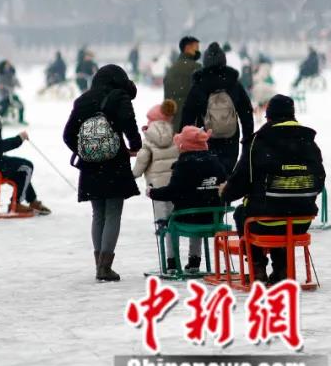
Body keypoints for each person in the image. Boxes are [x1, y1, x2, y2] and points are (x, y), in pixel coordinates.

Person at [221, 95, 325, 284]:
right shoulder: (309, 142)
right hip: (301, 221)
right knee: (280, 210)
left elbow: (240, 181)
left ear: (269, 117)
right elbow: (319, 180)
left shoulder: (258, 142)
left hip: (264, 221)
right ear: (292, 115)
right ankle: (282, 268)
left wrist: (225, 194)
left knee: (244, 213)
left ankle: (257, 268)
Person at [63, 64, 142, 282]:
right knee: (113, 212)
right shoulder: (119, 97)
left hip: (90, 167)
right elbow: (130, 125)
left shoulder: (83, 100)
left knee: (98, 213)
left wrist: (86, 150)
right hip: (115, 163)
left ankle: (99, 263)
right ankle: (105, 267)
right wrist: (135, 146)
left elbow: (68, 134)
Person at [146, 126, 227, 273]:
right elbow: (225, 187)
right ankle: (194, 262)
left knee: (170, 223)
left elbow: (172, 192)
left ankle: (172, 264)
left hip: (188, 217)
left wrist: (152, 192)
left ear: (184, 145)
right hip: (213, 218)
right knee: (198, 214)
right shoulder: (215, 162)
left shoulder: (184, 165)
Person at [180, 42, 254, 175]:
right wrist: (247, 138)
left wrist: (183, 136)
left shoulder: (199, 84)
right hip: (230, 136)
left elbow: (188, 113)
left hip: (206, 136)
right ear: (224, 60)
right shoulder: (233, 83)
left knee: (208, 173)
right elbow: (246, 111)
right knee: (226, 172)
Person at [131, 99, 181, 248]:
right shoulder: (174, 136)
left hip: (156, 185)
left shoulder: (148, 140)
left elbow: (142, 158)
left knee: (161, 212)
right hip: (173, 183)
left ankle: (162, 227)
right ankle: (173, 256)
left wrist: (133, 175)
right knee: (172, 216)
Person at [164, 36, 201, 132]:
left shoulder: (172, 69)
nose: (198, 51)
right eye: (196, 47)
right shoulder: (197, 68)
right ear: (187, 48)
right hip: (194, 119)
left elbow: (167, 97)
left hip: (175, 119)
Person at [0, 59, 25, 123]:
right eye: (6, 65)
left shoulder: (12, 74)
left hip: (11, 94)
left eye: (9, 65)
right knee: (4, 106)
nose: (8, 66)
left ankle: (21, 120)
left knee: (20, 105)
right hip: (1, 95)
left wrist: (17, 84)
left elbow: (17, 83)